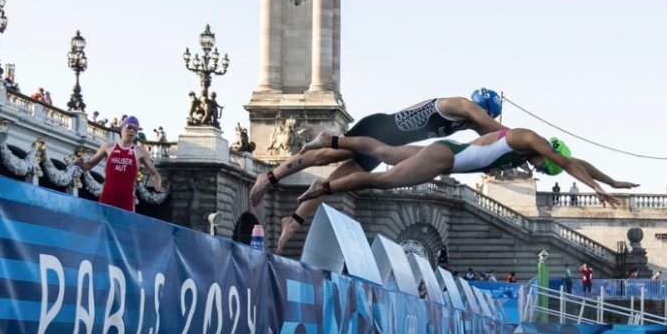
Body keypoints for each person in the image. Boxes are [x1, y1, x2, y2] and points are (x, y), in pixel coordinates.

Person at [249, 90, 506, 251]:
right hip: (378, 129)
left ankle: (294, 220)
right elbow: (500, 133)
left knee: (334, 183)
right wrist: (523, 141)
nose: (484, 120)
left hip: (385, 145)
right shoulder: (461, 105)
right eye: (487, 115)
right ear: (484, 109)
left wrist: (512, 155)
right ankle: (269, 177)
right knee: (326, 155)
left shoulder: (464, 123)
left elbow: (491, 141)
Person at [294, 128, 630, 212]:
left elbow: (577, 162)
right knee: (382, 181)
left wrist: (610, 181)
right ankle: (324, 188)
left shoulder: (526, 150)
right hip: (444, 160)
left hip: (447, 151)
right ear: (548, 153)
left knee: (384, 151)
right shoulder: (525, 138)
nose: (538, 169)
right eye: (545, 167)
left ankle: (329, 139)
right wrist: (597, 189)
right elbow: (568, 163)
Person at [73, 115, 163, 212]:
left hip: (126, 202)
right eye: (129, 127)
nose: (132, 131)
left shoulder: (140, 151)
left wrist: (157, 183)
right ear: (122, 128)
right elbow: (89, 165)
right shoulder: (108, 147)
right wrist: (80, 164)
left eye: (135, 129)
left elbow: (154, 173)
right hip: (107, 198)